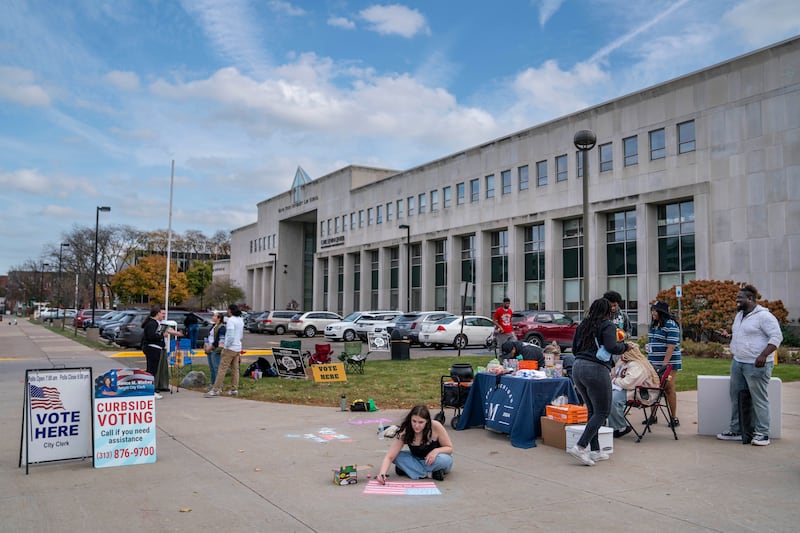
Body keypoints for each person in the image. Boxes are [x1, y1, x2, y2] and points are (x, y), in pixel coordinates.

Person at [716, 284, 783, 446]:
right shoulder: (740, 315)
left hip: (757, 365)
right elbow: (746, 335)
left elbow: (776, 337)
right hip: (738, 362)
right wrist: (729, 336)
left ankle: (762, 434)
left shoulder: (764, 316)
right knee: (736, 397)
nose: (736, 301)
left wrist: (763, 355)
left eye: (739, 298)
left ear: (750, 299)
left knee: (758, 399)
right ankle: (737, 430)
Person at [568, 298, 630, 466]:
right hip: (595, 369)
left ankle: (595, 451)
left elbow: (574, 349)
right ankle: (580, 447)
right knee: (602, 411)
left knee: (592, 410)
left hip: (577, 367)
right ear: (607, 311)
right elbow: (612, 347)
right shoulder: (607, 325)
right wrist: (625, 347)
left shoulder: (582, 325)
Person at [377, 404, 454, 483]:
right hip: (416, 459)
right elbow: (390, 456)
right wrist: (382, 474)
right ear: (410, 419)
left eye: (421, 422)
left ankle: (409, 469)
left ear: (427, 421)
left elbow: (449, 448)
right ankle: (429, 474)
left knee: (445, 460)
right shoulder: (406, 430)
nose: (416, 426)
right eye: (414, 421)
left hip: (434, 460)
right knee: (397, 456)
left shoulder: (436, 426)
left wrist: (435, 451)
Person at [607, 343, 659, 438]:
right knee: (603, 395)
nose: (619, 355)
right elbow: (613, 373)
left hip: (642, 393)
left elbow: (628, 383)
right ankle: (606, 426)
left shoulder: (637, 365)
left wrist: (614, 380)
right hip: (628, 389)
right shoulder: (623, 362)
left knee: (612, 399)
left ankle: (621, 427)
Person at [647, 301, 682, 428]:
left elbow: (671, 347)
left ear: (661, 312)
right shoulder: (655, 325)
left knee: (668, 388)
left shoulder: (671, 325)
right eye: (652, 310)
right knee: (653, 387)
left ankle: (673, 417)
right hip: (653, 361)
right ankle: (653, 416)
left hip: (669, 363)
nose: (653, 313)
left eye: (655, 311)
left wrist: (664, 365)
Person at [141, 305, 182, 400]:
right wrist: (162, 335)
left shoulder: (155, 323)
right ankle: (151, 391)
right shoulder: (152, 323)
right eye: (161, 313)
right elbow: (151, 336)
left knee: (152, 370)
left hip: (155, 348)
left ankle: (150, 389)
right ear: (157, 313)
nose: (163, 315)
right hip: (152, 348)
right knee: (152, 370)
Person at [205, 303, 244, 397]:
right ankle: (234, 389)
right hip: (237, 347)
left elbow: (230, 336)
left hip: (229, 348)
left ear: (230, 311)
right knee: (235, 369)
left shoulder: (231, 320)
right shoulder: (240, 320)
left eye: (228, 310)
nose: (227, 312)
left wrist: (225, 347)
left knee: (222, 369)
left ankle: (215, 389)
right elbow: (241, 335)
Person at [203, 312, 226, 389]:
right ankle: (212, 384)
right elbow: (208, 336)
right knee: (211, 367)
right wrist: (205, 345)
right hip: (209, 348)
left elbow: (219, 340)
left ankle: (218, 385)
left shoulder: (221, 327)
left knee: (216, 367)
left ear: (219, 318)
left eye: (214, 316)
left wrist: (211, 347)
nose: (213, 317)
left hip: (215, 350)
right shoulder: (213, 326)